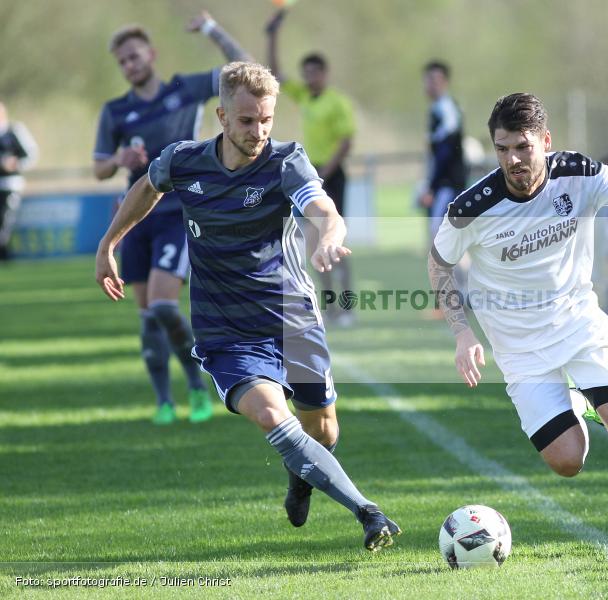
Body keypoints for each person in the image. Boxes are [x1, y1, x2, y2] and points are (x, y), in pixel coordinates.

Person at [94, 61, 400, 551]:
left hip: (291, 319)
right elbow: (147, 186)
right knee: (273, 417)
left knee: (322, 430)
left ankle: (301, 476)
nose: (258, 131)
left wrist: (328, 237)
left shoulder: (285, 161)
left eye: (266, 120)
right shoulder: (184, 161)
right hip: (226, 331)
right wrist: (109, 243)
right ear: (221, 116)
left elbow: (323, 209)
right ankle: (368, 512)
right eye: (246, 121)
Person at [428, 93, 608, 557]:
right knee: (567, 462)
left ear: (545, 141)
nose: (513, 160)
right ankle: (580, 401)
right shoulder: (472, 206)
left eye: (523, 147)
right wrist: (462, 332)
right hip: (519, 348)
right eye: (502, 149)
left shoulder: (579, 173)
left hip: (578, 322)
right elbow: (439, 264)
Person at [93, 14, 251, 425]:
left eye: (134, 56)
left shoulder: (185, 90)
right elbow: (99, 168)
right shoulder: (116, 111)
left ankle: (197, 386)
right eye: (122, 61)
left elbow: (246, 69)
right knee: (147, 314)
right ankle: (164, 401)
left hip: (179, 213)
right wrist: (118, 159)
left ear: (152, 54)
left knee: (164, 305)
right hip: (135, 218)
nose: (129, 65)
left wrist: (213, 30)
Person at [265, 9, 356, 327]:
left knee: (336, 242)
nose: (310, 78)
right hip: (313, 174)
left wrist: (326, 171)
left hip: (331, 174)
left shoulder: (336, 102)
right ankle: (330, 307)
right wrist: (273, 35)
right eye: (306, 73)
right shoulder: (304, 96)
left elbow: (346, 140)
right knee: (315, 243)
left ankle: (348, 306)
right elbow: (274, 74)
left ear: (325, 74)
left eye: (315, 73)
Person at [419, 60, 467, 240]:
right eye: (428, 80)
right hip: (443, 183)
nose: (431, 84)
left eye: (435, 80)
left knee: (441, 234)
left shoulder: (446, 110)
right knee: (447, 236)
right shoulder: (437, 108)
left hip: (448, 184)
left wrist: (431, 187)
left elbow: (445, 153)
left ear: (445, 82)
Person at [0, 102, 38, 261]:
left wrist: (15, 164)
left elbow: (31, 154)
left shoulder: (14, 131)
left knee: (5, 220)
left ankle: (3, 252)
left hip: (9, 185)